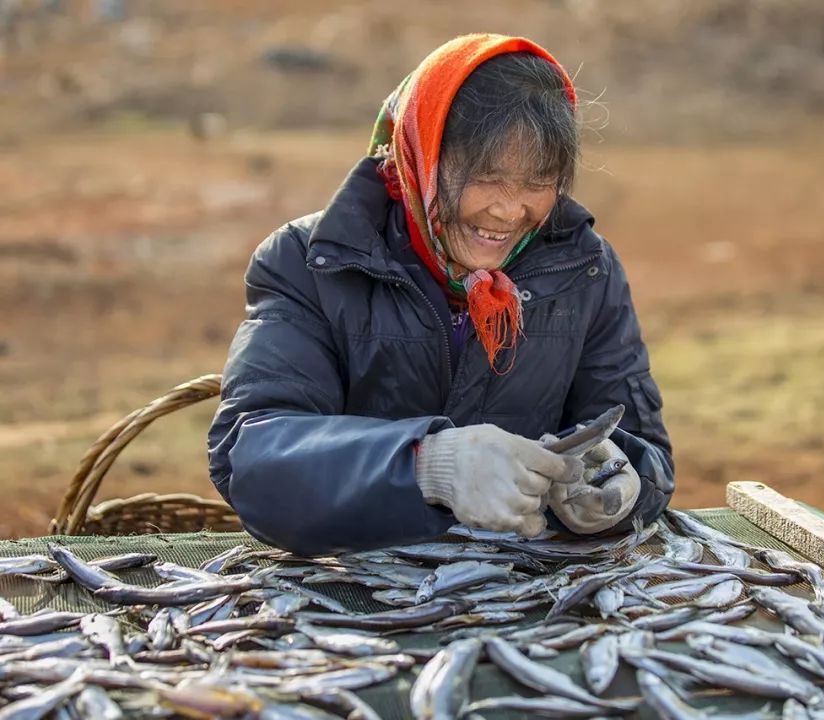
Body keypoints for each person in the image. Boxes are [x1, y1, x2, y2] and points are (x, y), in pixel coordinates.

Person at [207, 34, 674, 556]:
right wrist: (429, 465)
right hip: (356, 595)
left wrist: (617, 486)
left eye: (538, 182)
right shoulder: (311, 262)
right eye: (486, 177)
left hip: (524, 599)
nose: (509, 211)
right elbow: (255, 461)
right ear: (422, 155)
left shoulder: (583, 270)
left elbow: (642, 449)